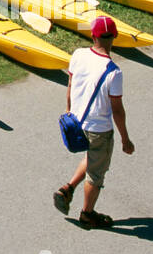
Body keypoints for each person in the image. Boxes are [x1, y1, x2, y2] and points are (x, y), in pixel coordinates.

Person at [52, 18, 133, 228]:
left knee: (91, 158)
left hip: (77, 123)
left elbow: (70, 84)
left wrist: (69, 111)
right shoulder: (114, 72)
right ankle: (87, 214)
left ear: (93, 36)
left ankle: (68, 189)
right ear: (114, 36)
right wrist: (125, 139)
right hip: (99, 130)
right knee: (96, 174)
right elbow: (117, 110)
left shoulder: (78, 55)